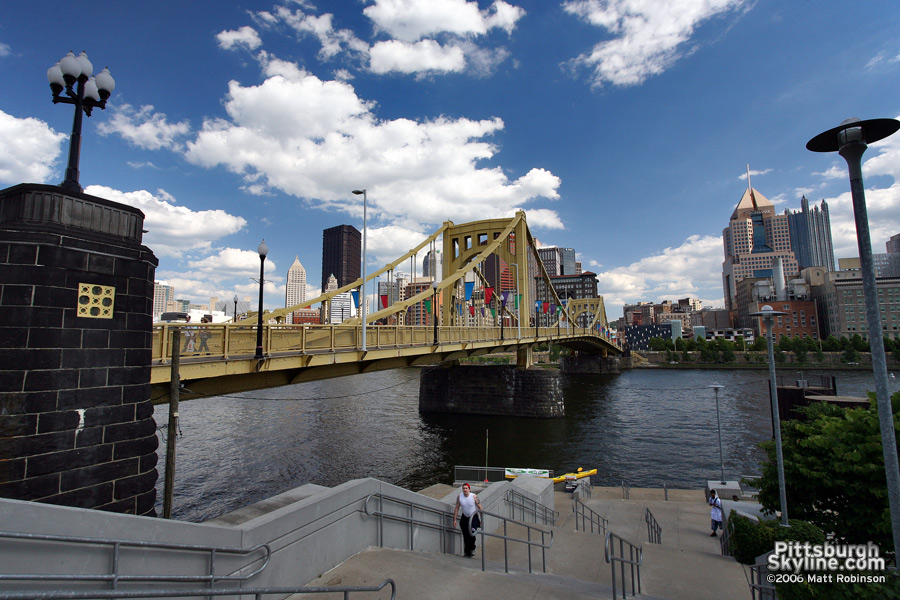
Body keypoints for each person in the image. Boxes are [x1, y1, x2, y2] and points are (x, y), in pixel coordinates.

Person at [452, 483, 483, 557]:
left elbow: (480, 508)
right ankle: (467, 552)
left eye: (466, 488)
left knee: (472, 534)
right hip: (465, 517)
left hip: (473, 517)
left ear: (469, 489)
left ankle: (472, 548)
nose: (465, 490)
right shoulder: (460, 496)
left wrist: (481, 520)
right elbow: (457, 507)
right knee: (466, 535)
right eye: (463, 488)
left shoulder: (474, 496)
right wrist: (455, 520)